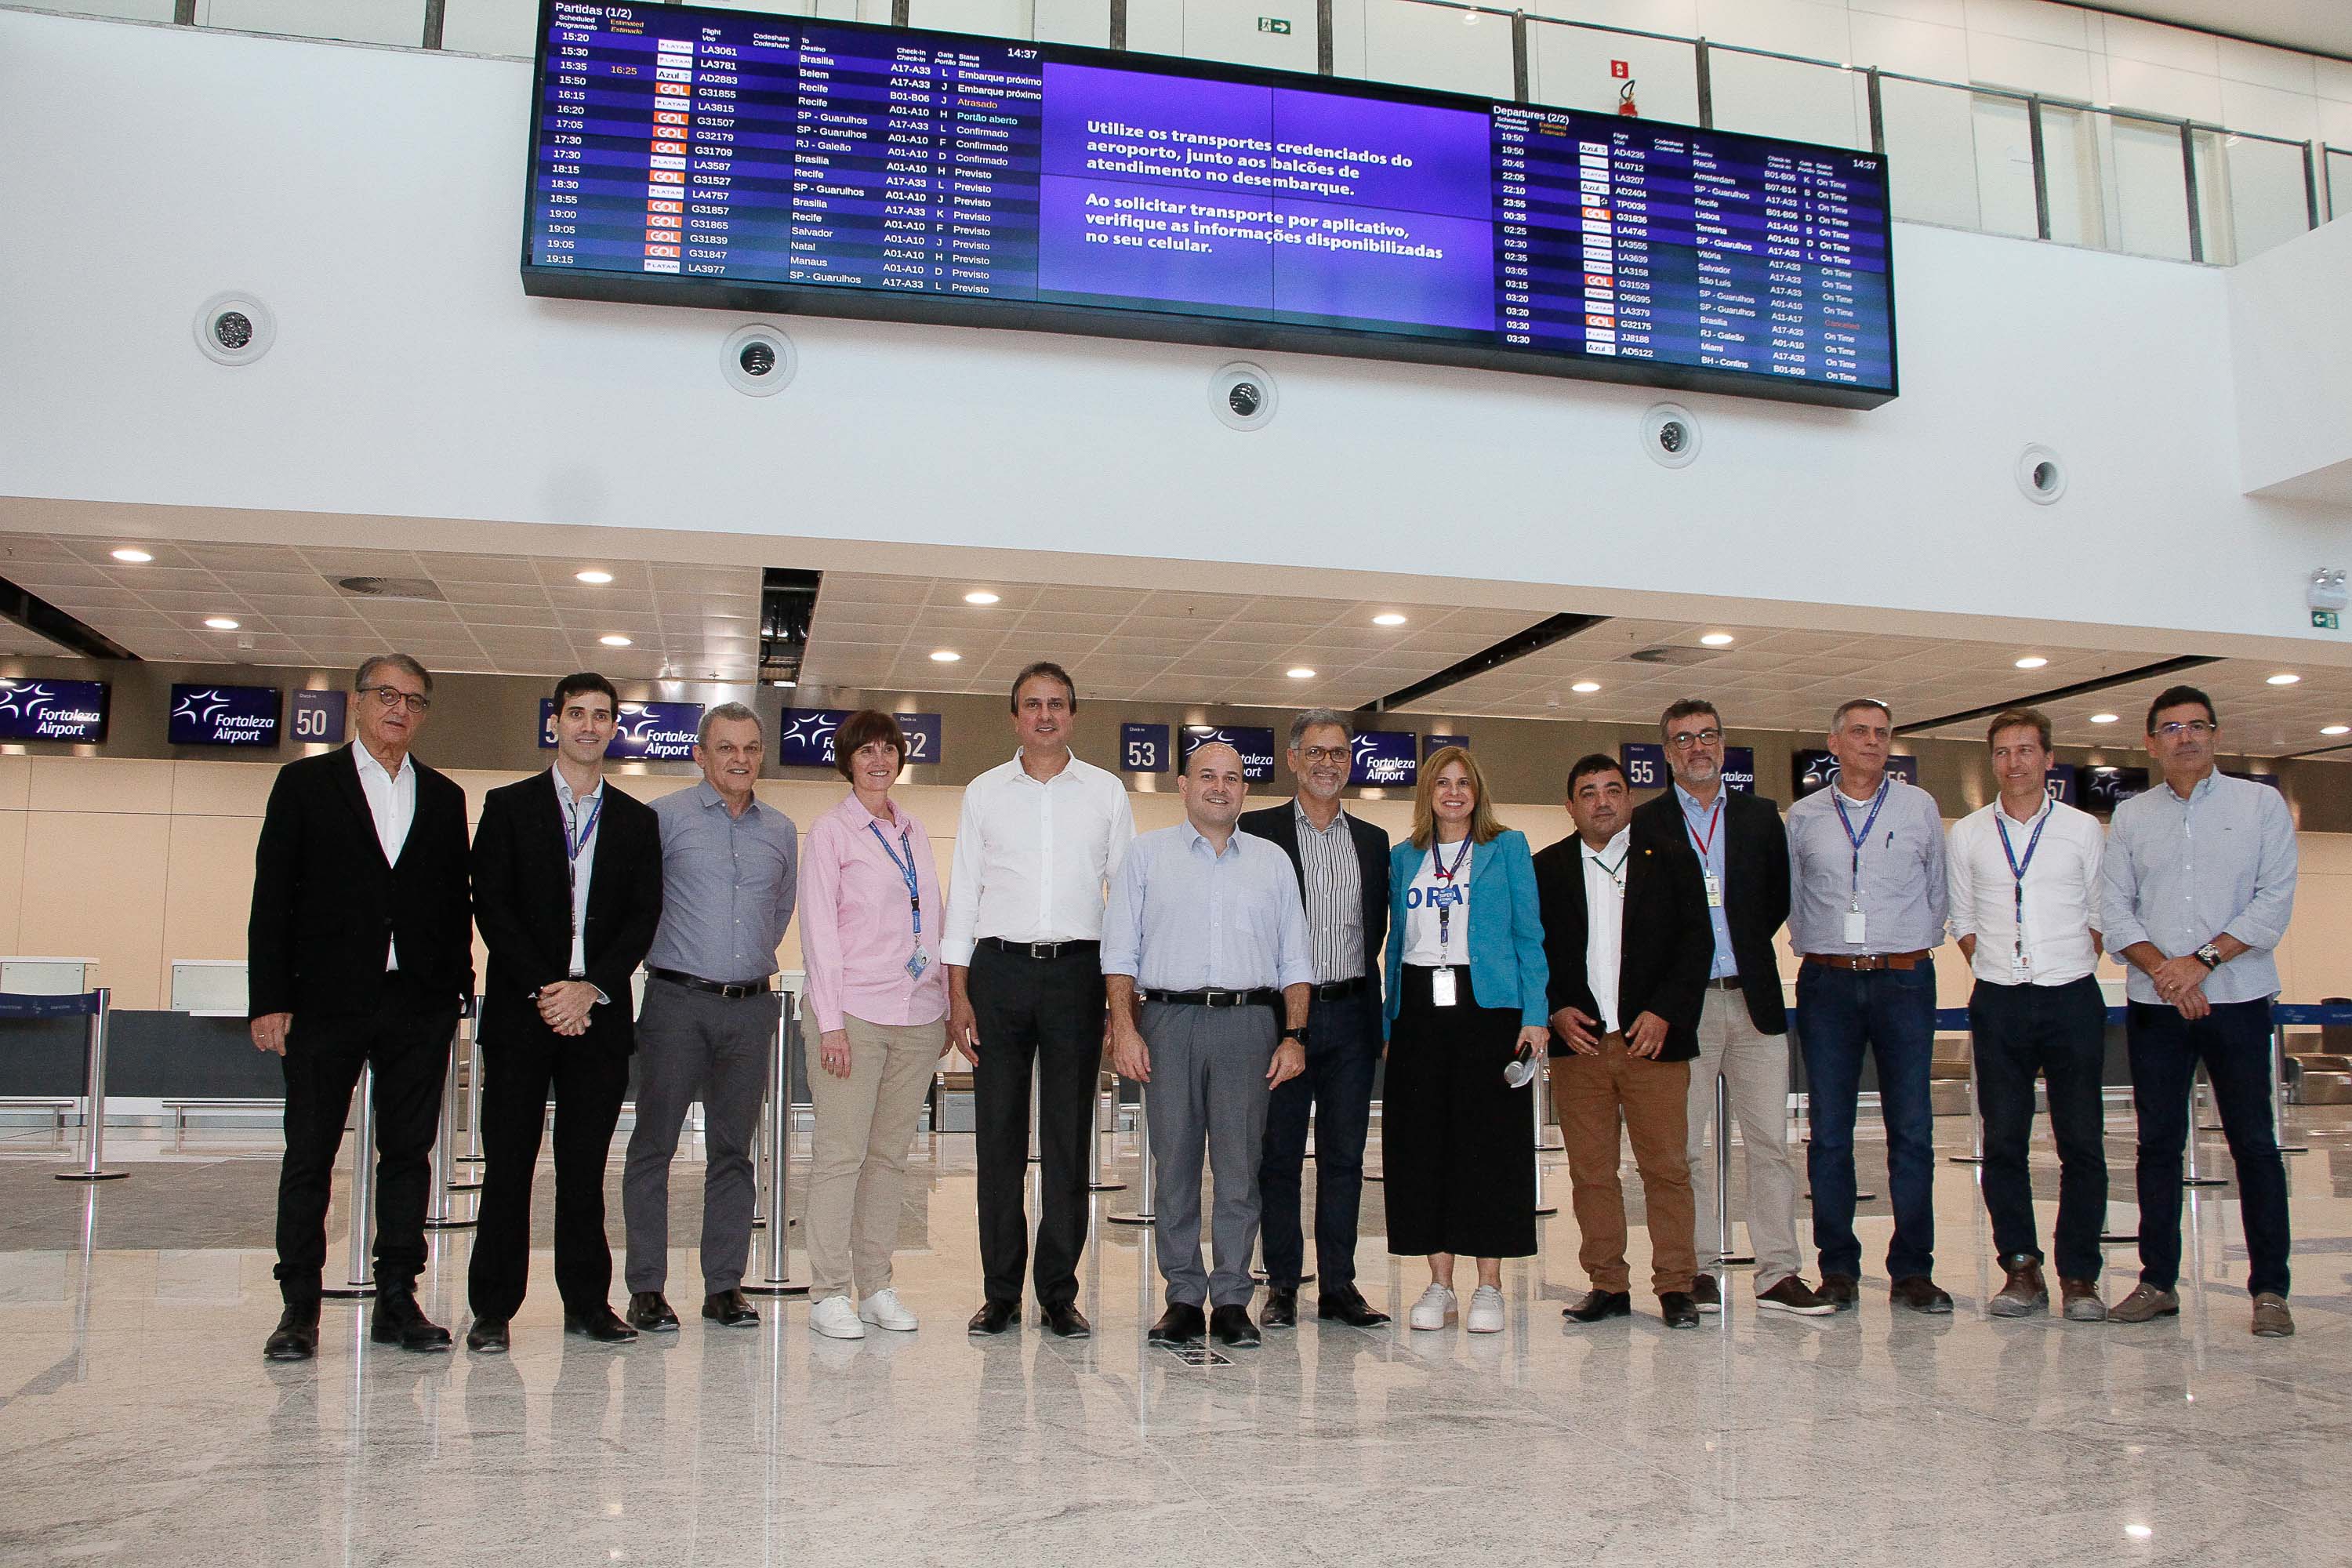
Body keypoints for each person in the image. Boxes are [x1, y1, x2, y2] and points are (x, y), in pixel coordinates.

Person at [251, 654, 473, 1361]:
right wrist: (270, 998)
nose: (399, 710)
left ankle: (398, 1299)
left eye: (413, 700)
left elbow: (451, 900)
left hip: (417, 1001)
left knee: (409, 1154)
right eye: (386, 696)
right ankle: (298, 1309)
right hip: (325, 1001)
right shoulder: (305, 785)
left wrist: (458, 987)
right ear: (356, 704)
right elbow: (272, 897)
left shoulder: (443, 796)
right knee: (311, 1152)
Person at [464, 672, 663, 1352]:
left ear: (615, 728)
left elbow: (642, 918)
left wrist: (590, 989)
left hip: (599, 1017)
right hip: (526, 1014)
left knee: (584, 1171)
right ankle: (493, 1308)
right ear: (555, 722)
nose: (588, 726)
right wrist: (552, 989)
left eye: (601, 716)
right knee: (510, 1166)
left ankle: (587, 1303)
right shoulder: (508, 805)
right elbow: (492, 906)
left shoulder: (637, 821)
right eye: (575, 714)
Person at [942, 662, 1135, 1339]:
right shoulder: (984, 793)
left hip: (1077, 977)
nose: (1045, 715)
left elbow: (1126, 904)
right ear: (1015, 716)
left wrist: (1122, 1005)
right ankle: (1000, 1293)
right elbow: (963, 893)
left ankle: (1058, 1293)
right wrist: (957, 993)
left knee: (1065, 1141)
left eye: (1057, 704)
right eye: (1033, 705)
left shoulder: (1106, 793)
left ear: (1073, 715)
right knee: (996, 1139)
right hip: (997, 974)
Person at [2101, 684, 2298, 1338]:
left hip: (2237, 1000)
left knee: (2254, 1145)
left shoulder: (2260, 805)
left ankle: (2270, 1289)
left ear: (2215, 734)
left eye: (2196, 726)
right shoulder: (2131, 818)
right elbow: (2115, 910)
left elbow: (2272, 902)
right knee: (2157, 1145)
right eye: (2170, 728)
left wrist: (2202, 961)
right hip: (2156, 1005)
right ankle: (2157, 1282)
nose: (2184, 737)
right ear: (2150, 743)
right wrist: (2167, 969)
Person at [1104, 742, 1313, 1348]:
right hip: (1168, 1022)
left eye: (1233, 777)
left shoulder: (1272, 862)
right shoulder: (1145, 858)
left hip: (1249, 1026)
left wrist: (1294, 1035)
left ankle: (1230, 1299)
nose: (1220, 787)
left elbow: (1295, 960)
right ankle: (1181, 1297)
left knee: (1240, 1168)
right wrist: (1125, 1028)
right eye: (1208, 777)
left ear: (1245, 790)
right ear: (1182, 785)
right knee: (1174, 1166)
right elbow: (1119, 955)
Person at [1630, 700, 1831, 1316]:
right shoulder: (1648, 824)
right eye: (1683, 739)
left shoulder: (1759, 817)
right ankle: (1698, 1270)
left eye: (1708, 736)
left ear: (1724, 745)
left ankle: (1777, 1273)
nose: (1697, 747)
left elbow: (1775, 899)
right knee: (1684, 1148)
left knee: (1771, 1142)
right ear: (1666, 753)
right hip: (1683, 1011)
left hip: (1755, 1002)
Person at [621, 703, 797, 1332]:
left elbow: (779, 912)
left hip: (751, 1009)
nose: (741, 758)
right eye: (727, 747)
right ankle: (646, 1287)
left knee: (733, 1151)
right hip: (676, 1002)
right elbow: (637, 903)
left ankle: (724, 1285)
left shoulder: (779, 830)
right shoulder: (662, 819)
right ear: (701, 754)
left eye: (751, 747)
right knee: (654, 1147)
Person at [1784, 698, 1951, 1313]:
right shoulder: (1802, 817)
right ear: (1834, 743)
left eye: (1882, 734)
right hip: (1827, 984)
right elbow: (1794, 898)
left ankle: (1913, 1271)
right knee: (1829, 1134)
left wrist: (1898, 945)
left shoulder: (1919, 808)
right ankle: (1838, 1268)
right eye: (1860, 733)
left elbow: (1938, 894)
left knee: (1913, 1131)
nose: (1872, 743)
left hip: (1905, 980)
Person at [1534, 755, 1709, 1330]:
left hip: (1651, 1044)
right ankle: (1607, 1283)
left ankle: (1677, 1286)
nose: (1602, 802)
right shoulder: (1548, 869)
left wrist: (1665, 1012)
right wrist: (1556, 1008)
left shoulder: (1674, 860)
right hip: (1581, 1047)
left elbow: (1695, 947)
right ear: (1570, 806)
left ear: (1630, 800)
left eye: (1613, 790)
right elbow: (1535, 954)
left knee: (1666, 1169)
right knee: (1591, 1174)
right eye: (1588, 792)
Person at [1381, 746, 1550, 1334]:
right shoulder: (1405, 858)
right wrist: (1388, 1022)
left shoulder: (1507, 849)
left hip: (1490, 1012)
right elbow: (1396, 943)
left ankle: (1489, 1286)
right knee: (1425, 1148)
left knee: (1488, 1149)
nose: (1453, 793)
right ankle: (1439, 1283)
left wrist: (1536, 1014)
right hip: (1420, 1015)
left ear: (1478, 792)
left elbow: (1530, 937)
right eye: (1442, 783)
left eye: (1464, 783)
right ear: (1426, 792)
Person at [1947, 707, 2109, 1323]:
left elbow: (2099, 912)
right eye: (2003, 753)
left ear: (2047, 758)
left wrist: (2060, 961)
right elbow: (1961, 919)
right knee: (2005, 1140)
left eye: (2025, 750)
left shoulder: (2081, 829)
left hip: (2070, 994)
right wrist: (1994, 962)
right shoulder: (1968, 834)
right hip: (1999, 999)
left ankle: (2080, 1274)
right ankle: (2020, 1267)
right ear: (1993, 762)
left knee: (2082, 1143)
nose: (2014, 763)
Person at [798, 710, 950, 1341]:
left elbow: (930, 923)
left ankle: (875, 1285)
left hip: (915, 1015)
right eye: (867, 750)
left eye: (889, 748)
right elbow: (819, 933)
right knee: (841, 1155)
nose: (879, 759)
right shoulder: (832, 833)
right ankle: (827, 1291)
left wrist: (941, 1004)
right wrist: (830, 1023)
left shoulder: (913, 829)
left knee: (889, 1158)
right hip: (853, 1016)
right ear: (848, 759)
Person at [1238, 709, 1392, 1330]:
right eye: (1316, 752)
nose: (1328, 763)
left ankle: (1340, 1287)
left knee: (1344, 1157)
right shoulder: (1258, 832)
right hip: (1281, 1022)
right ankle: (1280, 1284)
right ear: (1294, 759)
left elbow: (1380, 930)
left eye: (1339, 752)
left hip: (1353, 1015)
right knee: (1277, 1157)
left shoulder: (1375, 842)